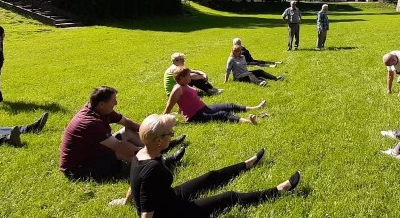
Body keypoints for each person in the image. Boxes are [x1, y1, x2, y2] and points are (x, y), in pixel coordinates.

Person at [108, 113, 301, 216]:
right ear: (159, 140)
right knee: (230, 196)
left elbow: (134, 185)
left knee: (211, 176)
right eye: (171, 134)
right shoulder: (153, 169)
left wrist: (124, 201)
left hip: (170, 198)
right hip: (171, 213)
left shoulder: (142, 153)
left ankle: (247, 164)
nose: (173, 136)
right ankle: (279, 190)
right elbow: (146, 212)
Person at [59, 86, 186, 181]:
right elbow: (119, 146)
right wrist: (145, 152)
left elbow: (128, 123)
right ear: (102, 104)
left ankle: (162, 144)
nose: (116, 103)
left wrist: (154, 133)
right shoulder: (90, 122)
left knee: (127, 132)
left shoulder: (101, 110)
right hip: (79, 169)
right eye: (113, 100)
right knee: (119, 152)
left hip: (93, 152)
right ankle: (159, 162)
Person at [163, 67, 263, 125]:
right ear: (181, 78)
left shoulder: (184, 84)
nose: (191, 77)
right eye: (188, 75)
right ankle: (249, 122)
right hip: (195, 116)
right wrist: (163, 120)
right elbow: (169, 105)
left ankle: (256, 107)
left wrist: (180, 110)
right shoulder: (177, 88)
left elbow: (183, 100)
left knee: (229, 106)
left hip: (203, 108)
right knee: (222, 114)